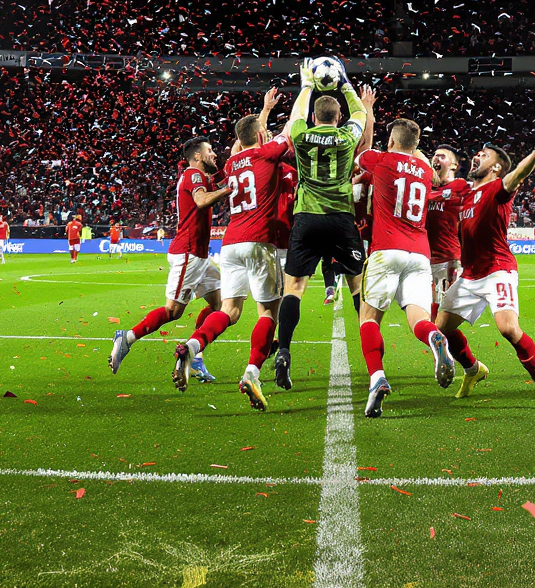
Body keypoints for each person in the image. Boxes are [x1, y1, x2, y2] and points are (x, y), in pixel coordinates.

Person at [434, 127, 535, 412]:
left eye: (484, 154)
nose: (477, 156)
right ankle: (472, 369)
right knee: (440, 330)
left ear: (497, 167)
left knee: (508, 328)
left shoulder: (499, 188)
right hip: (469, 275)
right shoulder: (466, 194)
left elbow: (519, 174)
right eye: (477, 153)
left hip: (497, 270)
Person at [177, 89, 289, 411]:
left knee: (229, 311)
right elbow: (287, 130)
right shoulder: (266, 155)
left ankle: (192, 345)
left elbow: (248, 137)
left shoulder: (231, 164)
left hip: (230, 244)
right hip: (259, 242)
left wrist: (264, 111)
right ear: (260, 135)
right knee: (268, 312)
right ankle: (252, 373)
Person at [271, 58, 376, 391]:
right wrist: (345, 83)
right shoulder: (347, 137)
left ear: (315, 117)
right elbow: (361, 115)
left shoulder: (301, 133)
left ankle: (284, 349)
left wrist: (305, 85)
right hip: (341, 219)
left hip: (306, 218)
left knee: (295, 290)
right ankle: (373, 366)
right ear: (338, 117)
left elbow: (294, 118)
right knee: (358, 287)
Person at [354, 119, 458, 418]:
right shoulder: (426, 171)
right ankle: (435, 339)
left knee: (369, 318)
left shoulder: (381, 160)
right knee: (420, 319)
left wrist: (370, 114)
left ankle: (377, 379)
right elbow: (426, 167)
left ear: (390, 141)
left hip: (387, 249)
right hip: (420, 255)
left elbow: (360, 150)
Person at [110, 137, 232, 391]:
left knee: (219, 304)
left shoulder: (202, 176)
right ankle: (127, 337)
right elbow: (201, 201)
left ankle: (194, 356)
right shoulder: (193, 176)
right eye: (209, 151)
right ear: (197, 156)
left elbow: (224, 173)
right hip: (187, 253)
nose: (214, 155)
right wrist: (225, 191)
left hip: (199, 256)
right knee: (173, 311)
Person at [426, 145, 463, 319]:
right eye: (434, 155)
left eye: (441, 156)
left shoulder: (461, 187)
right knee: (428, 311)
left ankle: (453, 345)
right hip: (424, 259)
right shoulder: (425, 188)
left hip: (449, 260)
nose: (435, 159)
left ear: (454, 165)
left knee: (445, 315)